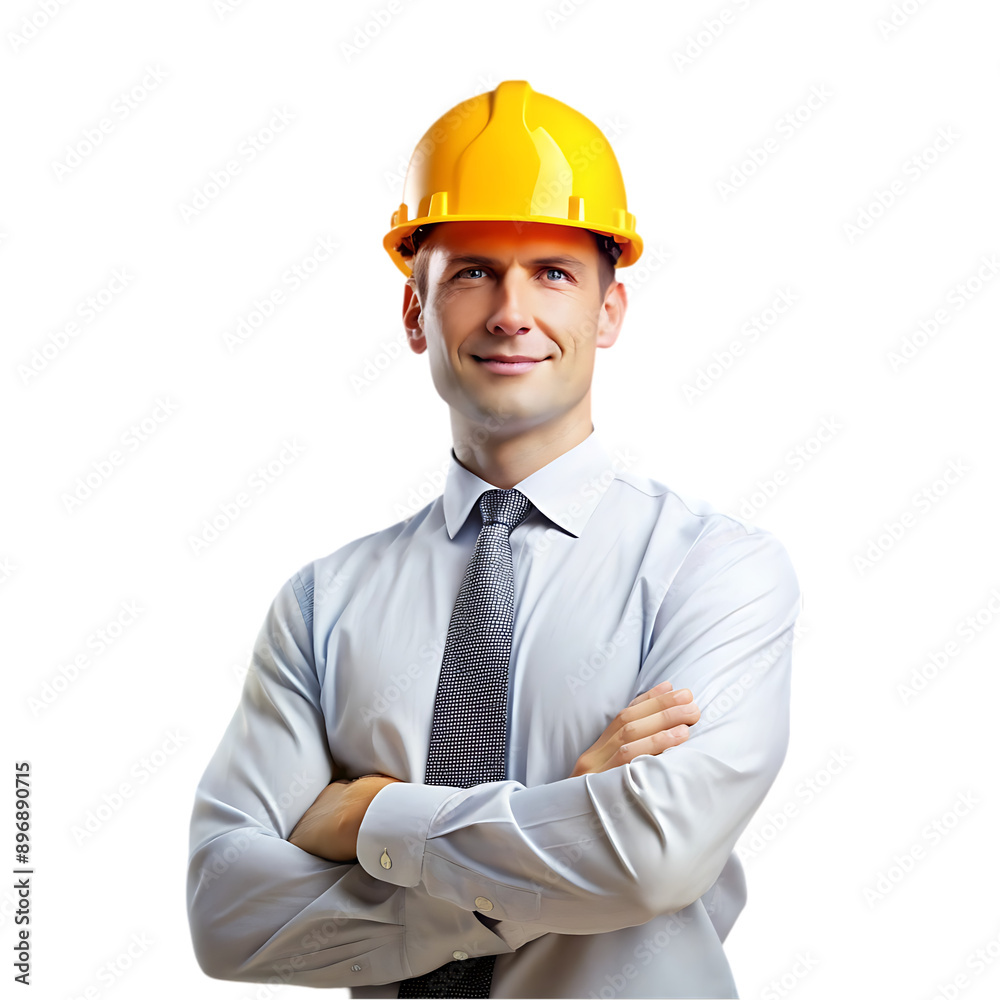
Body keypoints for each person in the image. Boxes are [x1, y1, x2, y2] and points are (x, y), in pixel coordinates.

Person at [186, 80, 802, 999]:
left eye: (553, 272)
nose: (512, 311)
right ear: (413, 314)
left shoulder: (715, 573)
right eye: (472, 270)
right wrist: (550, 827)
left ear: (609, 311)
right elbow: (226, 913)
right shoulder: (323, 604)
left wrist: (369, 819)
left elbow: (648, 858)